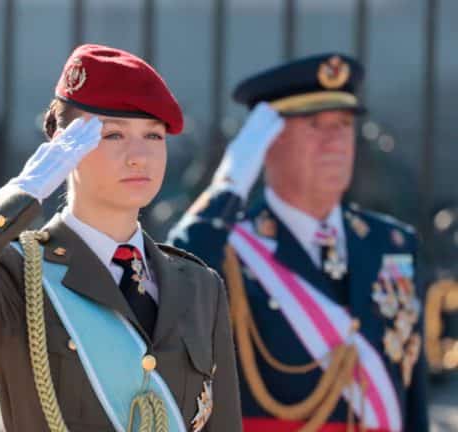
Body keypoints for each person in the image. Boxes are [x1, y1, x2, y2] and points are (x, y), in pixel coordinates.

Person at [0, 43, 241, 431]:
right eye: (113, 135)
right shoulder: (17, 275)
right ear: (64, 146)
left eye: (153, 136)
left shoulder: (198, 285)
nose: (138, 156)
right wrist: (24, 192)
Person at [168, 53, 428, 431]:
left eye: (343, 124)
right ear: (266, 143)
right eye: (314, 125)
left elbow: (411, 393)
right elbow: (178, 277)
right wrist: (229, 185)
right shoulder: (229, 248)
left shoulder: (392, 243)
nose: (335, 140)